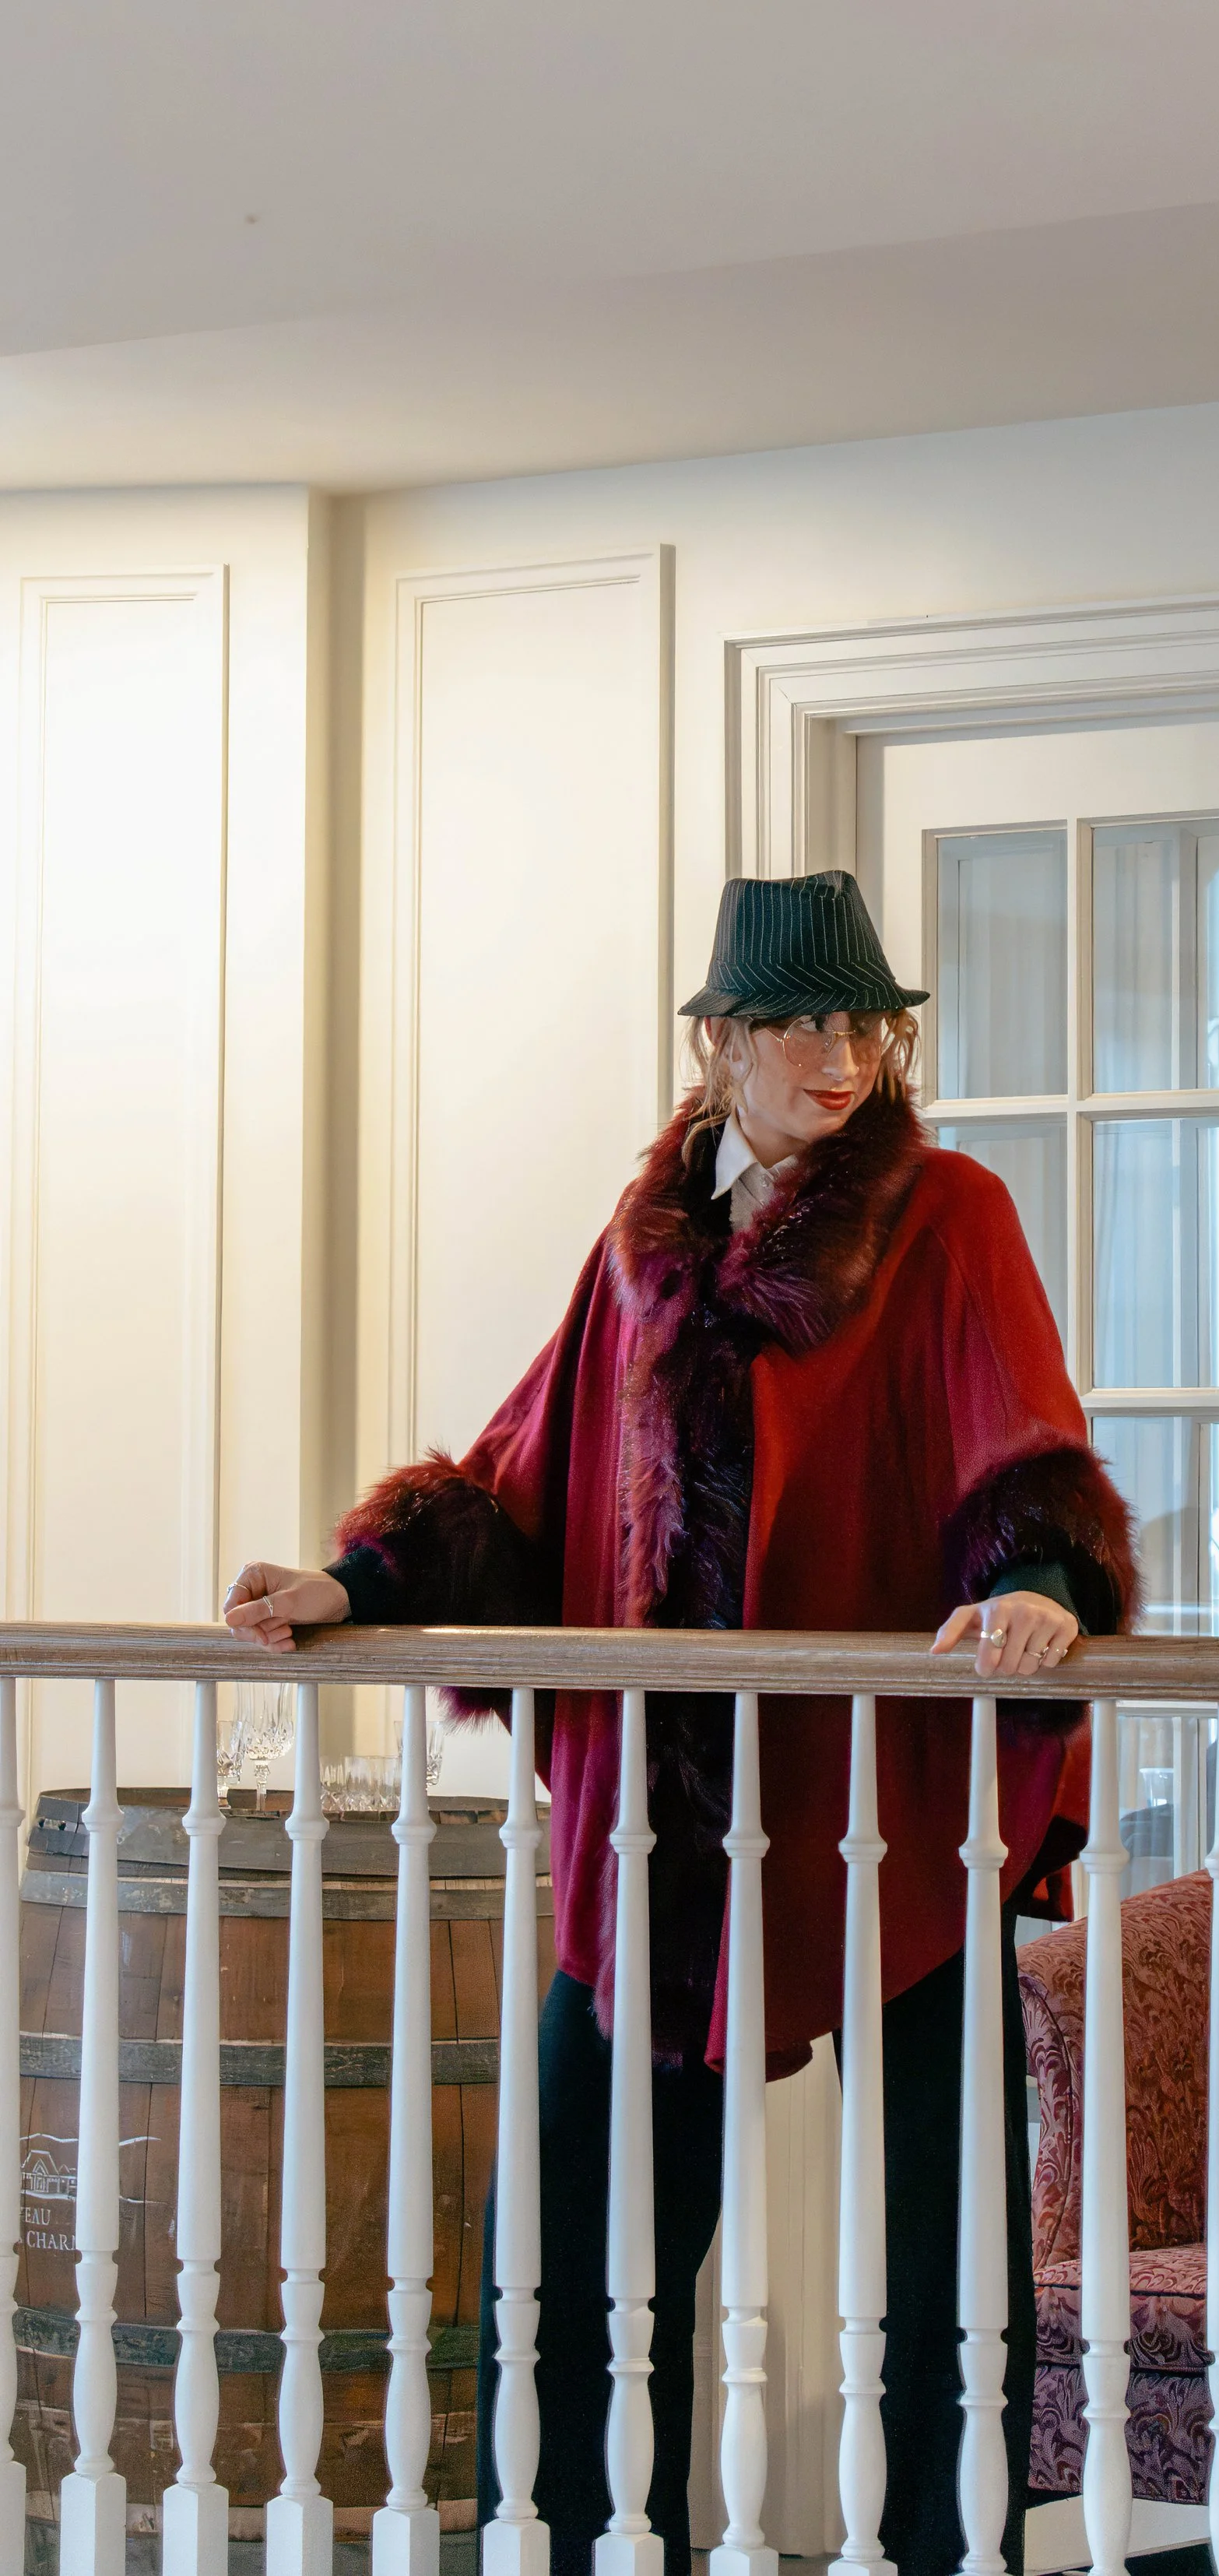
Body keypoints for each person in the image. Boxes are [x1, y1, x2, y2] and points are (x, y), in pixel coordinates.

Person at [225, 868, 1138, 2576]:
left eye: (865, 1018)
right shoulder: (643, 1245)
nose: (839, 1051)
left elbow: (1017, 1423)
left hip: (886, 1801)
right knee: (573, 2235)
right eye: (797, 1018)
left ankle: (956, 2554)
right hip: (659, 1821)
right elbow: (519, 1467)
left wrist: (1041, 1581)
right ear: (717, 1042)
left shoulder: (947, 1212)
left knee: (947, 2245)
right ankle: (563, 2542)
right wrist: (359, 1575)